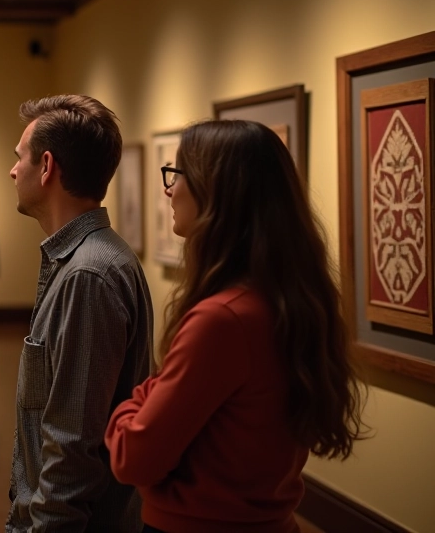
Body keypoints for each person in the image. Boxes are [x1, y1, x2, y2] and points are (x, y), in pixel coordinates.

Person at [105, 120, 367, 533]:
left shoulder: (221, 320)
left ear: (217, 191)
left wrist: (128, 403)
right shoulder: (281, 299)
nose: (169, 190)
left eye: (178, 174)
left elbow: (132, 457)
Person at [6, 95, 152, 533]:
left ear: (47, 165)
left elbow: (72, 444)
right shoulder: (83, 261)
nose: (13, 170)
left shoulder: (88, 274)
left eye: (19, 158)